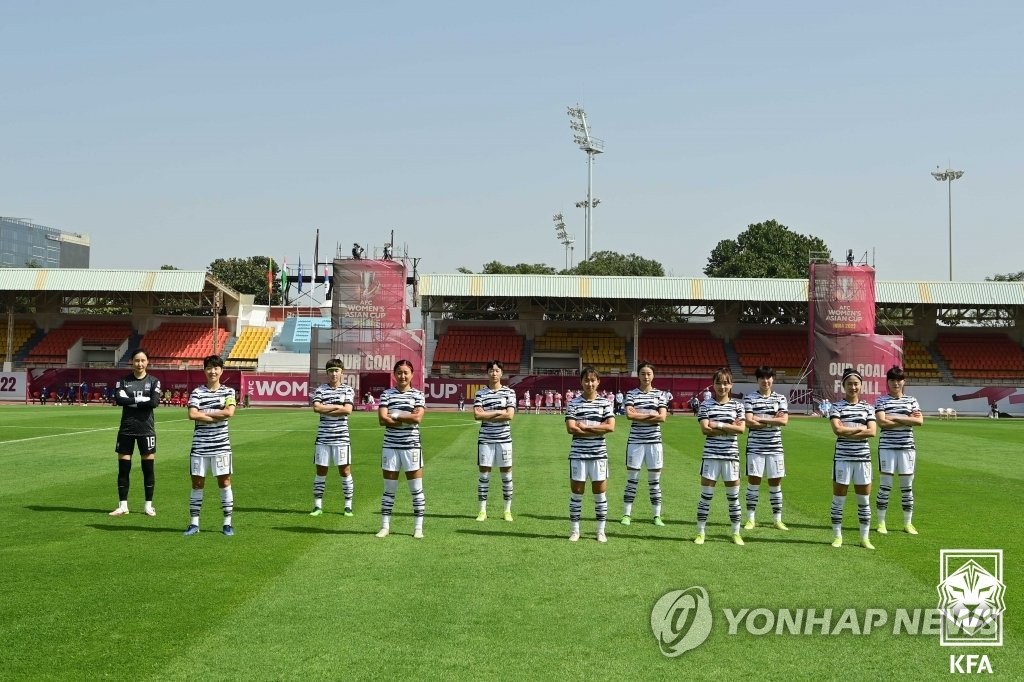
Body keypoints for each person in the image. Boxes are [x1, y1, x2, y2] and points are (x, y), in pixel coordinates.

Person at [183, 355, 237, 537]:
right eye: (209, 368)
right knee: (197, 484)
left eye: (216, 368)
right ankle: (194, 523)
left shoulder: (229, 392)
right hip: (200, 446)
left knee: (224, 482)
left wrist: (204, 413)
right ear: (204, 370)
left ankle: (227, 523)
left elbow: (229, 412)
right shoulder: (197, 392)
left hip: (221, 446)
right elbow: (192, 414)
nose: (212, 371)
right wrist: (215, 415)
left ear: (221, 370)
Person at [694, 368, 747, 546]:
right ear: (713, 384)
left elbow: (741, 430)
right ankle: (700, 532)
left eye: (725, 382)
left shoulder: (738, 406)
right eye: (718, 382)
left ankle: (736, 533)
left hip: (731, 457)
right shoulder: (705, 405)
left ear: (731, 385)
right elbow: (704, 429)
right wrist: (729, 426)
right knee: (706, 497)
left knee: (733, 498)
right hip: (711, 456)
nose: (722, 386)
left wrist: (717, 424)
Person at [376, 359, 426, 539]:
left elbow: (418, 418)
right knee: (389, 490)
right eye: (399, 372)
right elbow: (382, 420)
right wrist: (407, 416)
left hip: (411, 447)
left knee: (416, 490)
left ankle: (418, 528)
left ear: (412, 374)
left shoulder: (418, 395)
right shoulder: (386, 394)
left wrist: (395, 415)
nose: (402, 376)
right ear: (394, 374)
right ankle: (385, 526)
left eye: (405, 372)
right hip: (390, 447)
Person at [828, 367, 878, 549]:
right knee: (838, 499)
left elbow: (872, 432)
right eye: (849, 383)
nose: (853, 387)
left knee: (864, 500)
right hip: (842, 458)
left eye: (856, 383)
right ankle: (837, 536)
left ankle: (864, 538)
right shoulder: (836, 407)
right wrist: (860, 429)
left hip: (863, 459)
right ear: (843, 386)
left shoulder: (868, 408)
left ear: (861, 385)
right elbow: (837, 430)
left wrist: (847, 430)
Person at [565, 366, 615, 542]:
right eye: (586, 380)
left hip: (599, 454)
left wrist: (585, 427)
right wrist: (597, 429)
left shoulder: (605, 403)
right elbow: (571, 428)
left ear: (598, 382)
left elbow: (610, 427)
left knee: (600, 494)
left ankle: (600, 531)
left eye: (593, 380)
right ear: (581, 382)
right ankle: (575, 530)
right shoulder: (573, 403)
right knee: (576, 493)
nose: (590, 383)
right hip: (578, 454)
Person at [109, 349, 162, 517]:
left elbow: (154, 402)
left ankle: (148, 505)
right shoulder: (123, 381)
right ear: (132, 361)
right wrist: (141, 400)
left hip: (146, 430)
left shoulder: (154, 381)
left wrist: (131, 401)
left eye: (143, 360)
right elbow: (119, 400)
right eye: (137, 360)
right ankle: (123, 505)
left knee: (148, 469)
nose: (139, 363)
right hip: (126, 430)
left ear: (147, 362)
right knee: (123, 469)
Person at [874, 366, 924, 536]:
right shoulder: (881, 401)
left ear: (904, 381)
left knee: (907, 487)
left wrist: (894, 417)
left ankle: (907, 523)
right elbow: (881, 422)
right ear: (887, 382)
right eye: (892, 380)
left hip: (907, 448)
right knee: (885, 487)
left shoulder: (912, 400)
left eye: (899, 380)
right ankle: (881, 522)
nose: (896, 383)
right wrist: (907, 419)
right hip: (887, 447)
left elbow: (919, 421)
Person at [621, 362, 668, 527]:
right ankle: (627, 514)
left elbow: (662, 417)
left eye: (648, 373)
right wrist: (651, 414)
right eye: (643, 373)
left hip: (654, 443)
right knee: (632, 480)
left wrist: (639, 414)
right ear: (638, 375)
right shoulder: (631, 394)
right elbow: (629, 415)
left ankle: (656, 516)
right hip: (636, 441)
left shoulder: (660, 395)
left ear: (653, 375)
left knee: (654, 481)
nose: (646, 376)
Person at [743, 366, 790, 531]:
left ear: (773, 379)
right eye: (762, 378)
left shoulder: (781, 398)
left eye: (768, 377)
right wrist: (772, 419)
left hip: (775, 447)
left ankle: (777, 520)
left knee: (775, 484)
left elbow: (784, 421)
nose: (765, 381)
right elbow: (748, 421)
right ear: (757, 380)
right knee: (753, 482)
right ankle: (750, 519)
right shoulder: (749, 398)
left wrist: (759, 418)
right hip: (755, 447)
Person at [309, 359, 355, 517]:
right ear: (327, 373)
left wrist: (326, 408)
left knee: (345, 471)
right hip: (323, 437)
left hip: (342, 438)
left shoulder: (348, 390)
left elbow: (347, 410)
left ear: (342, 372)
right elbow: (316, 408)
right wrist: (337, 407)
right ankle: (317, 506)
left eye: (336, 370)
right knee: (321, 471)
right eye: (331, 371)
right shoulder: (321, 389)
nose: (334, 374)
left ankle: (348, 506)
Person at [473, 360, 517, 522]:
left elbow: (510, 415)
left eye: (497, 370)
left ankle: (507, 511)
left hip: (504, 439)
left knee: (506, 476)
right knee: (484, 475)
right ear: (488, 373)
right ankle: (482, 511)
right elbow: (477, 415)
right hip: (485, 439)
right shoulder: (480, 393)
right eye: (491, 370)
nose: (494, 373)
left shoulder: (509, 392)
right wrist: (499, 411)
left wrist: (488, 413)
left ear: (502, 373)